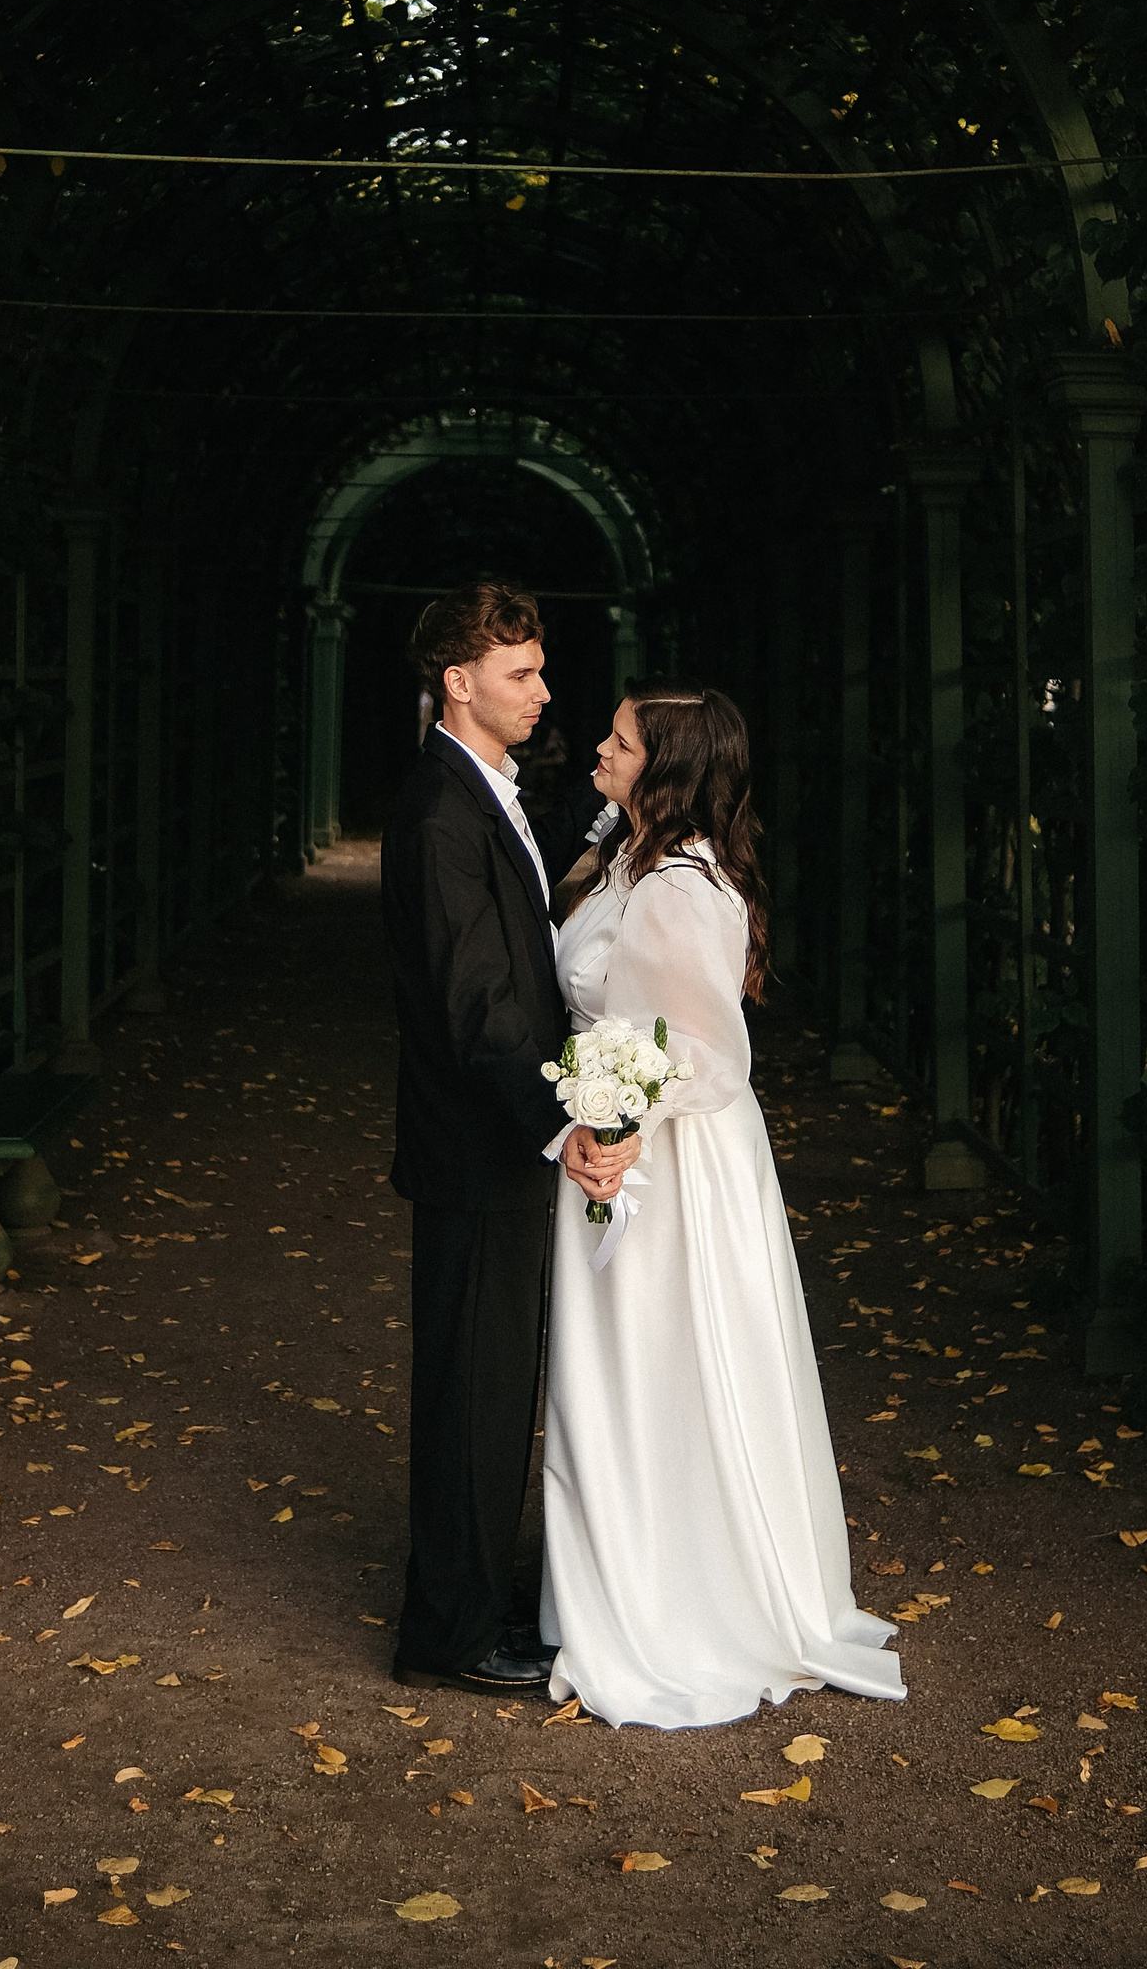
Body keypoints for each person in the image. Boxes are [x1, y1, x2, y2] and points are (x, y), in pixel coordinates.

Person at [539, 679, 906, 1729]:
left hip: (670, 1168)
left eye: (619, 743)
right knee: (632, 1371)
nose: (599, 752)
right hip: (632, 1136)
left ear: (665, 770)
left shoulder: (677, 890)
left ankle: (675, 1598)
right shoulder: (630, 861)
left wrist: (617, 1125)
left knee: (665, 1364)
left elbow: (704, 1054)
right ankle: (626, 1569)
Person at [381, 579, 629, 1690]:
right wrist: (554, 1125)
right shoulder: (441, 813)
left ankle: (476, 1603)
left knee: (490, 1387)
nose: (542, 690)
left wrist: (615, 803)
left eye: (539, 668)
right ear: (458, 681)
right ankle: (453, 1634)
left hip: (487, 1147)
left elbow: (532, 881)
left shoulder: (485, 790)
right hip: (478, 1150)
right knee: (474, 1396)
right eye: (518, 672)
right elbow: (474, 1000)